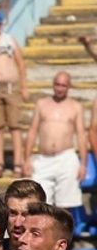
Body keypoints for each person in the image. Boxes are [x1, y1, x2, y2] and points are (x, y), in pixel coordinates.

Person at [26, 71, 87, 212]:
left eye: (63, 85)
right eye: (57, 84)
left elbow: (81, 135)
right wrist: (26, 159)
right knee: (40, 202)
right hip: (43, 158)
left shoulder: (76, 106)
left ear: (69, 87)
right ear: (53, 85)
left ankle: (63, 233)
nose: (60, 88)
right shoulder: (42, 104)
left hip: (66, 157)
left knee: (65, 204)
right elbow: (32, 132)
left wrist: (83, 164)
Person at [0, 9, 28, 177]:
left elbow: (20, 63)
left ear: (0, 25)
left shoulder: (9, 40)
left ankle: (18, 162)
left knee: (15, 126)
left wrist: (24, 86)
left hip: (11, 86)